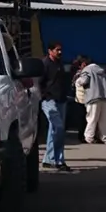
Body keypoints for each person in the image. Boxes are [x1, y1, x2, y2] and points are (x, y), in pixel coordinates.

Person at [38, 41, 72, 171]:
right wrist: (44, 96)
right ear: (50, 51)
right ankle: (56, 159)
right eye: (57, 50)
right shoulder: (45, 64)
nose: (60, 52)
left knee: (56, 130)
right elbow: (39, 82)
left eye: (60, 49)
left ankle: (51, 159)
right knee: (58, 128)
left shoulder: (59, 63)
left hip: (61, 100)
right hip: (49, 100)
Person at [76, 56, 106, 144]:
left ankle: (89, 138)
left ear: (84, 64)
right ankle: (104, 138)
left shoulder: (87, 70)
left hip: (93, 97)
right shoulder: (101, 70)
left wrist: (78, 81)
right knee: (103, 120)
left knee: (91, 118)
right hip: (104, 97)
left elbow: (84, 81)